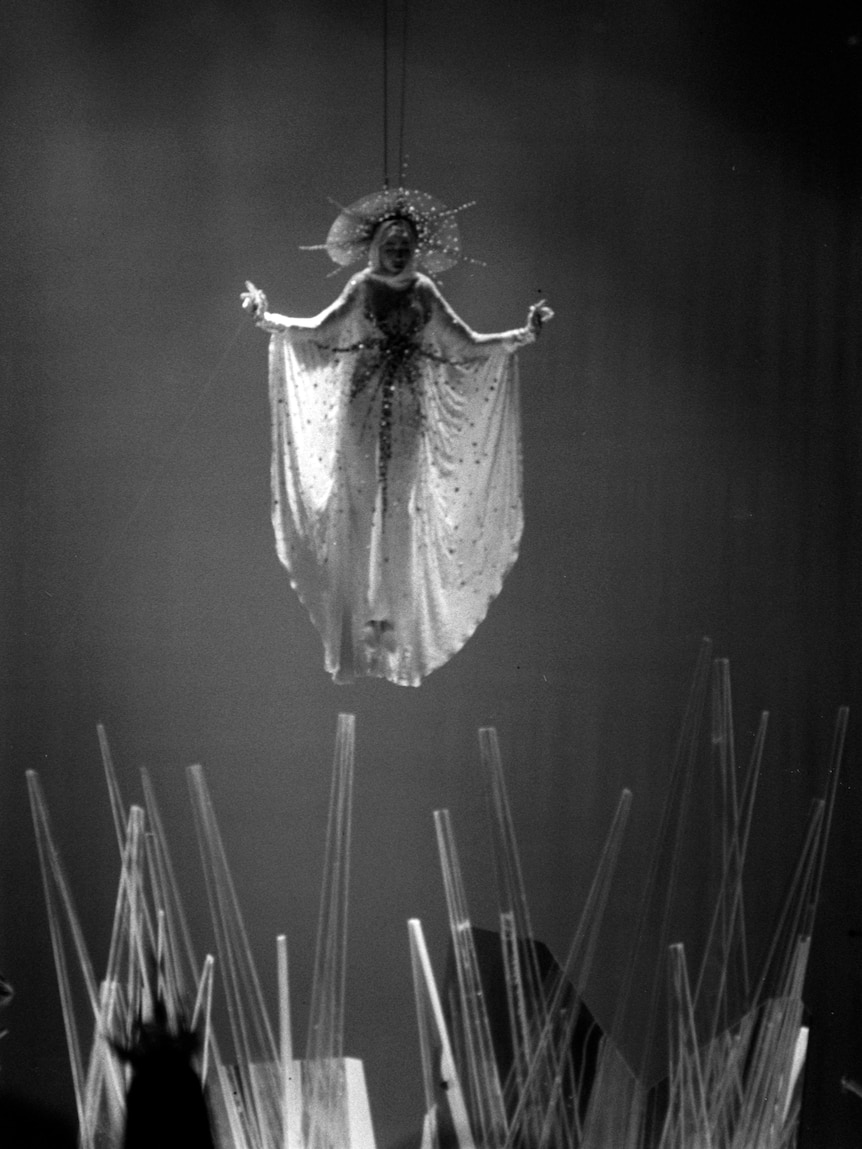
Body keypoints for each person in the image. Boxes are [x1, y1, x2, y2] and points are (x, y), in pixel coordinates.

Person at [242, 188, 553, 686]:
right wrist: (268, 320)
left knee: (403, 513)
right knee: (360, 510)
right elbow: (321, 328)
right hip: (361, 411)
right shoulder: (363, 288)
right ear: (375, 246)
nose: (399, 250)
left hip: (409, 412)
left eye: (406, 243)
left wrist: (523, 335)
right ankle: (355, 630)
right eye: (392, 242)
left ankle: (394, 629)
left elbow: (465, 343)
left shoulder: (424, 291)